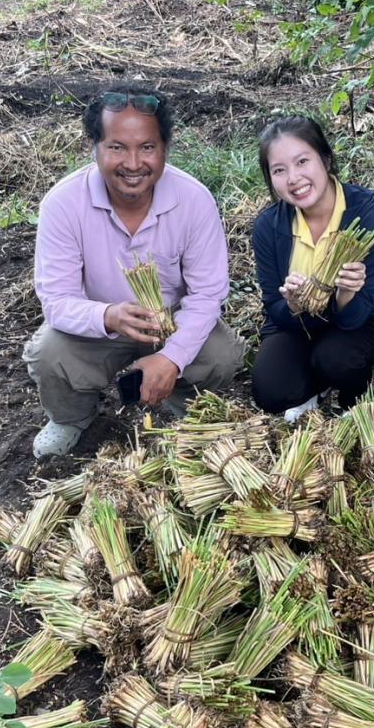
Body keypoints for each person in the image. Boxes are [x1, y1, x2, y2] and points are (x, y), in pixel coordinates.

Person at [23, 85, 244, 458]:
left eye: (147, 147)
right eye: (116, 147)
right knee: (49, 352)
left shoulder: (193, 200)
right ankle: (71, 417)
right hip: (100, 323)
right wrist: (108, 315)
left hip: (168, 322)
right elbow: (56, 301)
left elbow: (207, 295)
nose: (133, 162)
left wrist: (171, 357)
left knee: (221, 353)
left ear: (164, 150)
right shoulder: (63, 203)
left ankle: (181, 405)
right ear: (94, 148)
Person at [249, 115, 374, 420]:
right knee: (269, 392)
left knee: (336, 358)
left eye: (303, 161)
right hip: (300, 324)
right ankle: (314, 384)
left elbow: (358, 316)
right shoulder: (268, 227)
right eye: (279, 170)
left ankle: (351, 396)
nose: (293, 178)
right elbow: (273, 307)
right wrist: (291, 304)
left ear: (326, 160)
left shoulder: (370, 221)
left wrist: (345, 293)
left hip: (362, 322)